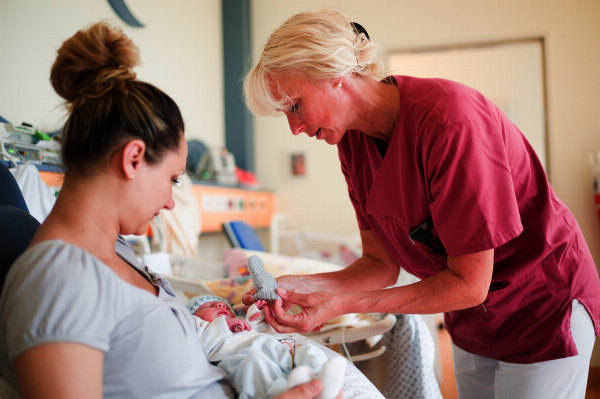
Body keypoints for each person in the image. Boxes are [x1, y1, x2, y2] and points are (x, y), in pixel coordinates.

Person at [242, 7, 600, 399]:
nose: (295, 128)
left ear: (333, 75)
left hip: (541, 306)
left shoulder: (452, 123)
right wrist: (295, 288)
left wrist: (339, 304)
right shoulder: (352, 143)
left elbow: (469, 282)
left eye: (294, 106)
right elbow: (378, 265)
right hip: (470, 321)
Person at [0, 21, 337, 399]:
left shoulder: (117, 253)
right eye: (173, 179)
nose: (170, 202)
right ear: (133, 159)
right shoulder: (57, 281)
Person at [186, 295, 346, 399]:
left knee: (307, 349)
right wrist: (223, 324)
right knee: (254, 365)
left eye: (226, 308)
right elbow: (203, 345)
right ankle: (284, 391)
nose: (221, 305)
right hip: (239, 358)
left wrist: (257, 315)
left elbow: (263, 331)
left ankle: (320, 380)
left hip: (275, 349)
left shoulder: (242, 326)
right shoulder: (196, 329)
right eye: (209, 306)